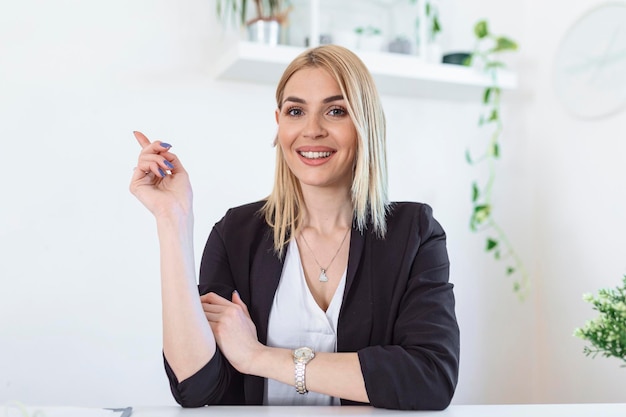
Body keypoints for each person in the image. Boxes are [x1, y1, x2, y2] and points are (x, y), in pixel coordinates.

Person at [129, 44, 459, 410]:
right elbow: (195, 386)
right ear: (279, 124)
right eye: (296, 111)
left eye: (336, 111)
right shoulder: (236, 233)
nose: (312, 130)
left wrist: (258, 357)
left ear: (364, 124)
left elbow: (430, 378)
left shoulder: (413, 233)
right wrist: (172, 219)